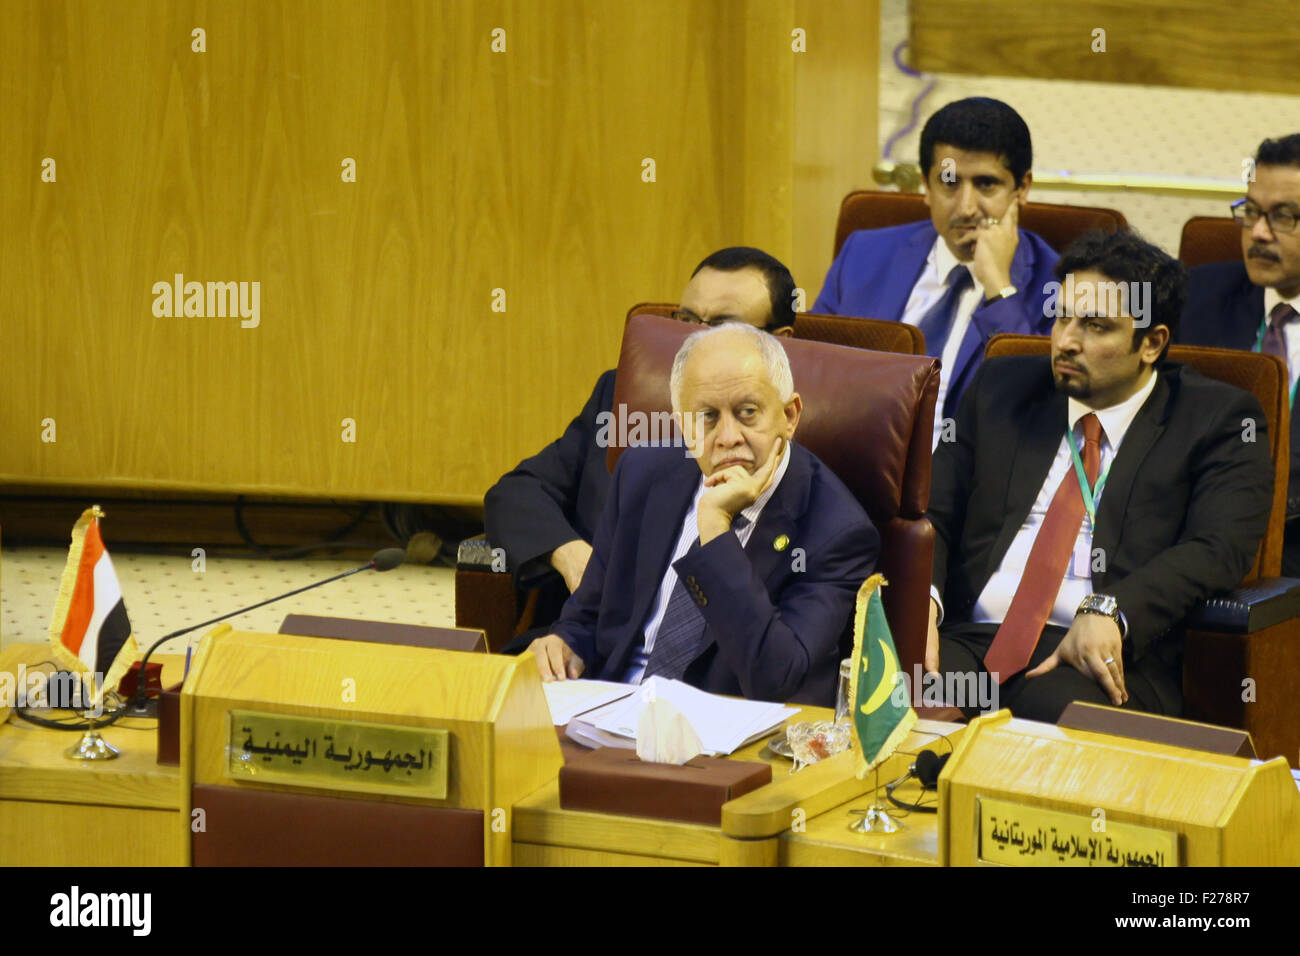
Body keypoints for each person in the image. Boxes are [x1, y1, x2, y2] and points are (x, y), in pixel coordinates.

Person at [925, 229, 1273, 722]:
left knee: (1054, 734)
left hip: (1094, 659)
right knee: (895, 698)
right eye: (1063, 317)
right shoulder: (1001, 389)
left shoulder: (1217, 419)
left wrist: (1112, 607)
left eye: (1095, 326)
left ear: (1151, 343)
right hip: (972, 638)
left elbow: (1219, 548)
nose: (1066, 341)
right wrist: (924, 605)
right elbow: (932, 510)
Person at [527, 323, 878, 705]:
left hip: (728, 738)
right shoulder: (643, 474)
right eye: (707, 418)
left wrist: (715, 533)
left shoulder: (836, 532)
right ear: (681, 425)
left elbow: (776, 678)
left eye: (747, 413)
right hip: (614, 713)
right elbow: (587, 617)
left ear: (790, 416)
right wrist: (564, 646)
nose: (728, 437)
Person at [482, 247, 796, 632]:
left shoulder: (789, 430)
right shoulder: (625, 395)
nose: (693, 340)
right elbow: (516, 493)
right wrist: (573, 557)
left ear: (781, 342)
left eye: (720, 327)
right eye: (685, 321)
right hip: (582, 648)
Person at [813, 97, 1059, 446]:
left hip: (970, 487)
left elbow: (1039, 404)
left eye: (987, 184)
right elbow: (812, 366)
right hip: (856, 461)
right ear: (926, 187)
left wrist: (1000, 289)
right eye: (949, 183)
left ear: (1022, 189)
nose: (967, 207)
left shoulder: (1059, 285)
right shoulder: (863, 255)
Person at [1179, 134, 1300, 574]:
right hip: (1190, 543)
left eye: (1284, 217)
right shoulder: (1195, 297)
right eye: (1251, 212)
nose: (1260, 233)